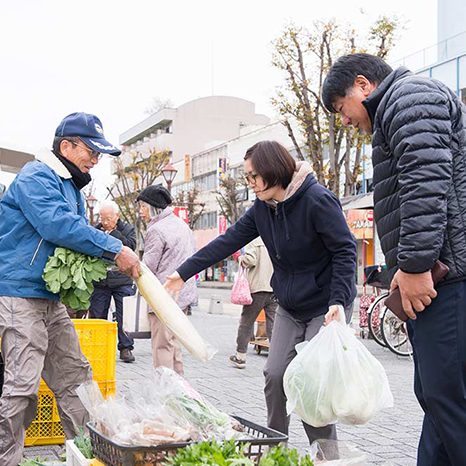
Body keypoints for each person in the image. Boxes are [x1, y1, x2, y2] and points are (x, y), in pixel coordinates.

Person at [322, 53, 466, 466]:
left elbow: (425, 181)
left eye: (340, 108)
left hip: (447, 276)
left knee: (447, 397)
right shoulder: (401, 106)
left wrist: (417, 265)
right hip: (443, 276)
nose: (344, 120)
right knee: (437, 398)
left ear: (363, 85)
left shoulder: (409, 97)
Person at [164, 140, 357, 447]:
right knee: (275, 374)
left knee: (310, 380)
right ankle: (275, 448)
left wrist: (339, 300)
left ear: (273, 169)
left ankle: (326, 453)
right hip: (290, 308)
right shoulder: (262, 209)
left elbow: (345, 251)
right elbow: (226, 242)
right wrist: (181, 273)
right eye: (247, 177)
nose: (250, 183)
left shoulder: (318, 200)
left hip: (324, 306)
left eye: (253, 176)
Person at [0, 112, 140, 466]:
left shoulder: (70, 186)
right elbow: (55, 225)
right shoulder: (37, 175)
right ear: (67, 146)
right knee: (22, 388)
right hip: (19, 293)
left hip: (49, 298)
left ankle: (89, 455)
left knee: (76, 376)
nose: (95, 159)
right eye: (92, 151)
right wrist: (115, 249)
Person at [137, 185, 198, 376]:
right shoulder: (182, 225)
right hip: (183, 294)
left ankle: (165, 391)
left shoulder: (156, 230)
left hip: (163, 296)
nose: (141, 212)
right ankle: (180, 390)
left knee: (162, 346)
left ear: (153, 207)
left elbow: (147, 267)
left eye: (142, 207)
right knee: (174, 344)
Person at [89, 200, 137, 363]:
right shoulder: (95, 230)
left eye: (108, 218)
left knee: (124, 315)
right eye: (102, 218)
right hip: (100, 280)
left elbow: (130, 245)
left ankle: (126, 348)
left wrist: (114, 233)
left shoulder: (127, 229)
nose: (105, 222)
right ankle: (97, 347)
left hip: (122, 280)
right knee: (97, 315)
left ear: (117, 216)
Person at [229, 237, 277, 369]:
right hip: (274, 288)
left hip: (257, 289)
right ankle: (276, 358)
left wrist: (239, 257)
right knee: (273, 324)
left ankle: (240, 357)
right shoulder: (274, 238)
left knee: (246, 322)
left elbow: (250, 260)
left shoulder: (255, 241)